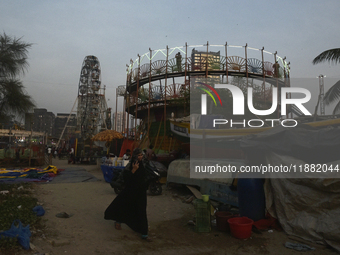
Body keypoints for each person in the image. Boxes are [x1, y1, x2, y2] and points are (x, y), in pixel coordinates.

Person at [104, 148, 151, 241]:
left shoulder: (145, 164)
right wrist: (133, 170)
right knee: (123, 206)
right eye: (138, 155)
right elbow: (126, 179)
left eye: (141, 155)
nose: (140, 157)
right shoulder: (131, 165)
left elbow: (146, 176)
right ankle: (118, 221)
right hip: (131, 191)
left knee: (141, 211)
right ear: (135, 156)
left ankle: (144, 234)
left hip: (141, 192)